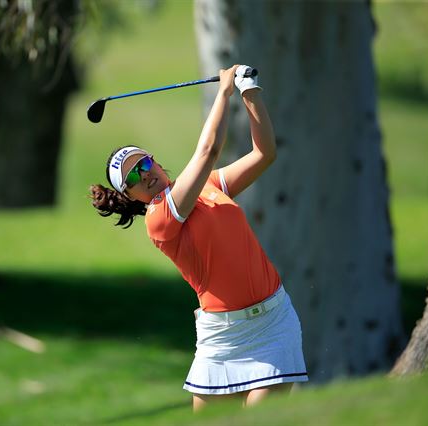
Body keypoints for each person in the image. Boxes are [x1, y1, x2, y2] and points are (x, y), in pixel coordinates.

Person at [89, 65, 308, 411]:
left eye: (144, 164)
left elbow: (264, 153)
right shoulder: (159, 218)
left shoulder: (209, 186)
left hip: (273, 324)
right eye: (133, 176)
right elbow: (207, 152)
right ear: (130, 195)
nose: (144, 175)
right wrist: (223, 91)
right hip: (221, 338)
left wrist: (249, 91)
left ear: (155, 162)